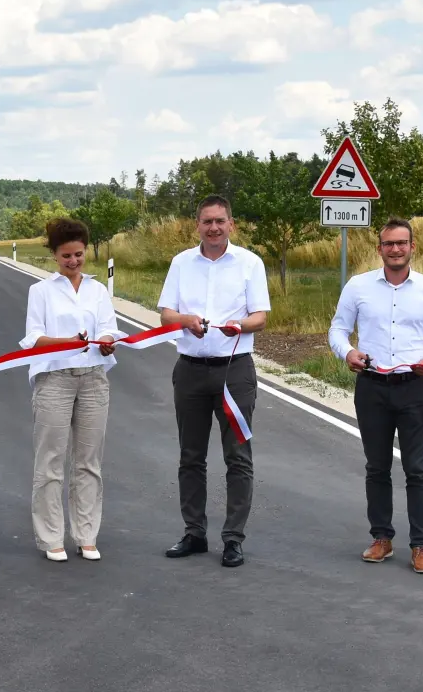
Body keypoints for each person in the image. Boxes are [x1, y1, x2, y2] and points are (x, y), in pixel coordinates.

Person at [328, 217, 423, 575]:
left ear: (412, 247)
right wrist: (348, 352)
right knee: (377, 466)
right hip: (372, 386)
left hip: (414, 386)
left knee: (417, 469)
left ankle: (422, 545)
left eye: (401, 243)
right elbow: (337, 329)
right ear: (379, 248)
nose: (395, 249)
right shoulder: (358, 286)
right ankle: (381, 538)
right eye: (388, 244)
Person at [157, 195, 271, 568]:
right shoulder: (181, 263)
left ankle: (233, 538)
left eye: (220, 221)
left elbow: (260, 317)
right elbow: (166, 315)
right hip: (190, 368)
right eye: (207, 221)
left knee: (237, 456)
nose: (214, 228)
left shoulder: (250, 263)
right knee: (191, 456)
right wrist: (184, 320)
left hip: (234, 370)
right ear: (197, 225)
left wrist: (240, 325)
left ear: (231, 224)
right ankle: (194, 533)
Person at [19, 217, 123, 562]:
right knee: (50, 460)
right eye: (66, 255)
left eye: (78, 254)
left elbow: (109, 328)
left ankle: (86, 534)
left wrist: (106, 342)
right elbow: (34, 337)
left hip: (94, 378)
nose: (73, 261)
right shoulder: (41, 291)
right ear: (54, 254)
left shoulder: (97, 290)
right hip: (54, 378)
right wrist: (65, 343)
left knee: (88, 461)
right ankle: (51, 537)